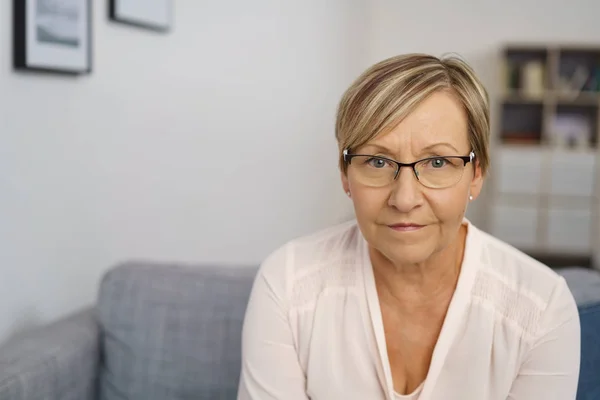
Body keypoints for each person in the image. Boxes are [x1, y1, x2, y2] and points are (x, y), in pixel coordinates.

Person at [237, 53, 581, 400]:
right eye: (377, 161)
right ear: (345, 174)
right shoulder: (288, 283)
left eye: (437, 162)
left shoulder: (540, 309)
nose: (404, 199)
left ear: (476, 175)